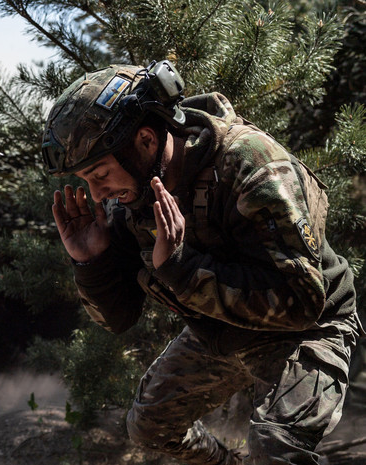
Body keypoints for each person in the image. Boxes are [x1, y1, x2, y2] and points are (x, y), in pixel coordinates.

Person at [43, 61, 363, 464]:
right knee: (149, 428)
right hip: (222, 333)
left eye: (100, 173)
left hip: (309, 329)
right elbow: (118, 319)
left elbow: (299, 303)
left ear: (145, 141)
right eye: (85, 180)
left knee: (274, 448)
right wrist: (92, 263)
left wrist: (182, 269)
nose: (95, 193)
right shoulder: (133, 197)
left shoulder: (252, 165)